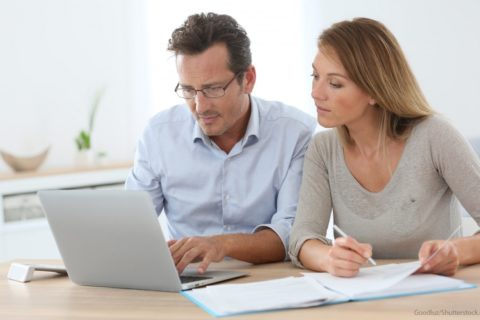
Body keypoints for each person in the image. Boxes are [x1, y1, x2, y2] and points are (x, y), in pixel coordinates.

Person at [126, 12, 316, 274]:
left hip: (267, 280)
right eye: (189, 90)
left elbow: (292, 234)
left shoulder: (295, 133)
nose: (200, 106)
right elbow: (130, 225)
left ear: (248, 79)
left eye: (213, 89)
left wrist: (220, 244)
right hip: (188, 281)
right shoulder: (158, 135)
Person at [288, 17, 480, 277]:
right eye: (315, 76)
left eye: (334, 83)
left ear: (374, 91)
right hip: (362, 301)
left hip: (433, 297)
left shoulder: (436, 135)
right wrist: (328, 258)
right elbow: (303, 238)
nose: (316, 92)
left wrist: (456, 251)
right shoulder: (323, 149)